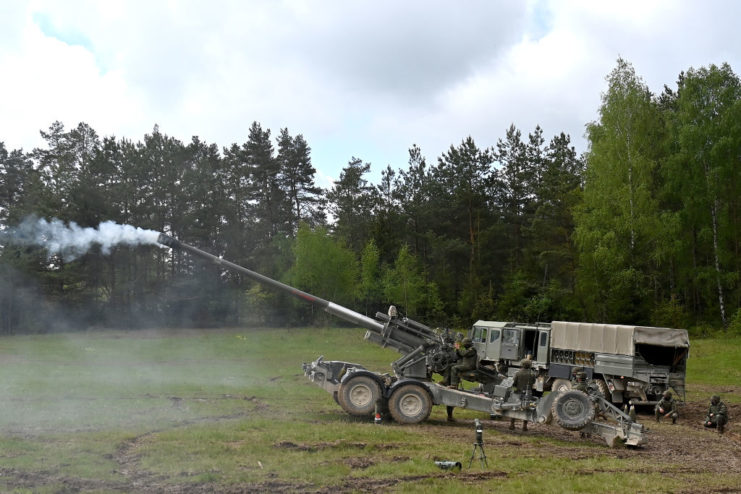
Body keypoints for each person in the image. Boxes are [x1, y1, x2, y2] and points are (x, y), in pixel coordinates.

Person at [510, 359, 536, 431]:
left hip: (518, 392)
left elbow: (514, 383)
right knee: (527, 409)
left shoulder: (518, 373)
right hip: (528, 393)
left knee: (514, 407)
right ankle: (524, 426)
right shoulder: (532, 374)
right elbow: (533, 382)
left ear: (522, 365)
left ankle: (512, 424)